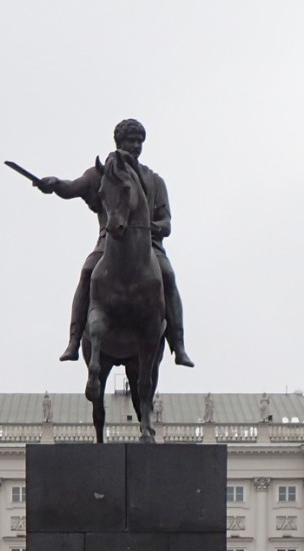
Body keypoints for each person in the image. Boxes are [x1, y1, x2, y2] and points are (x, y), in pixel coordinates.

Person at [37, 119, 193, 367]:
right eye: (130, 141)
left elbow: (167, 224)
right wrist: (54, 184)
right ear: (118, 142)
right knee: (88, 272)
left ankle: (179, 343)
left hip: (148, 247)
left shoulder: (154, 181)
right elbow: (71, 188)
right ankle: (74, 340)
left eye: (139, 141)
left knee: (168, 275)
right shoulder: (101, 174)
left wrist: (151, 228)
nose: (135, 145)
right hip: (108, 243)